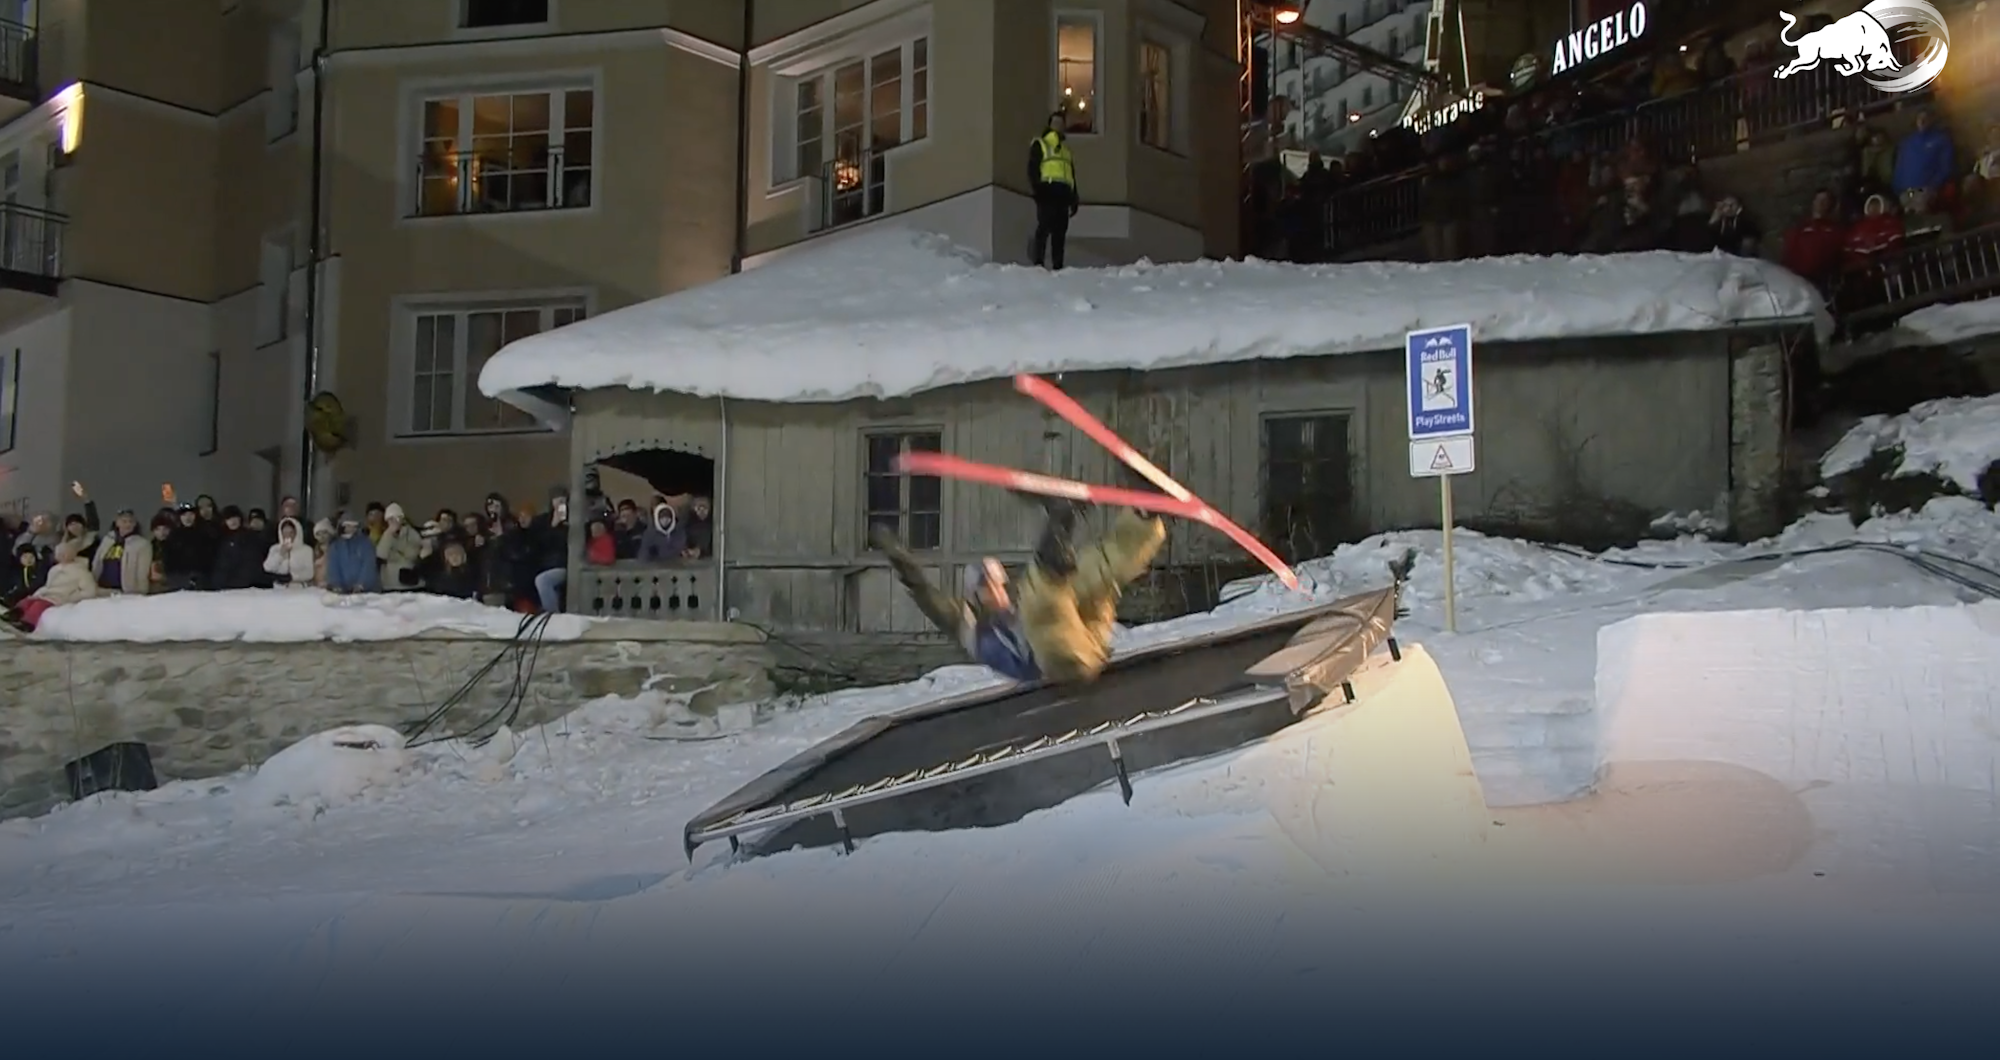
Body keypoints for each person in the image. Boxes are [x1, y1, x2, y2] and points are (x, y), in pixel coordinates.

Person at [871, 495, 1166, 684]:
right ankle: (1058, 524)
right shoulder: (969, 626)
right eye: (988, 588)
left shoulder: (1013, 600)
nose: (998, 592)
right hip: (1062, 663)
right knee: (1042, 603)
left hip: (1090, 638)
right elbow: (925, 593)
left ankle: (1141, 522)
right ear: (976, 596)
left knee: (1092, 571)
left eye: (999, 584)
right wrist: (897, 555)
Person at [1028, 110, 1079, 271]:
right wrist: (1038, 190)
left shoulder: (1066, 151)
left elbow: (1071, 175)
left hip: (1063, 194)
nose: (1059, 126)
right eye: (1056, 122)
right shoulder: (1041, 144)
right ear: (1050, 125)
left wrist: (1074, 198)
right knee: (1044, 227)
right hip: (1047, 191)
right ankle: (1038, 263)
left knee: (1060, 232)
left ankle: (1058, 266)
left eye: (1061, 123)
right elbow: (1033, 169)